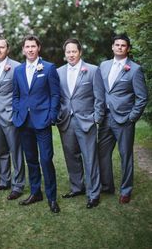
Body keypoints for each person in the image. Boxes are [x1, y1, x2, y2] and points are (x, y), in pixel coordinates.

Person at [12, 35, 60, 213]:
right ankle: (35, 192)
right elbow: (15, 95)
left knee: (46, 159)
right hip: (24, 121)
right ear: (23, 50)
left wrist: (52, 116)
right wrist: (17, 111)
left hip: (43, 121)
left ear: (38, 48)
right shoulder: (18, 70)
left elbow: (55, 94)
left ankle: (52, 198)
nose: (30, 49)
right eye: (27, 47)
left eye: (33, 46)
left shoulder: (48, 68)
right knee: (31, 159)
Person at [98, 33, 148, 204]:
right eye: (117, 45)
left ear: (127, 49)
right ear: (112, 47)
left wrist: (132, 118)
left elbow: (142, 98)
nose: (119, 47)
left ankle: (126, 190)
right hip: (105, 118)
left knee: (125, 155)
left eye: (123, 45)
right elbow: (101, 91)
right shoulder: (103, 66)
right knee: (102, 153)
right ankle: (107, 186)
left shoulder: (134, 69)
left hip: (124, 120)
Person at [57, 38, 105, 209]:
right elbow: (58, 97)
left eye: (74, 51)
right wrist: (58, 115)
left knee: (90, 158)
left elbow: (99, 97)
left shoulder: (92, 70)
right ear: (65, 53)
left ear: (80, 52)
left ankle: (93, 194)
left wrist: (96, 118)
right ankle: (77, 187)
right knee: (71, 156)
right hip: (66, 121)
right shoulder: (59, 72)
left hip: (86, 121)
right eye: (68, 52)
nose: (71, 54)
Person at [0, 37, 25, 200]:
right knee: (0, 150)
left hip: (10, 115)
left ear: (7, 49)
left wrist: (17, 113)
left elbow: (22, 93)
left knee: (15, 151)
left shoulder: (16, 67)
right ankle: (4, 181)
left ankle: (18, 185)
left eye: (2, 47)